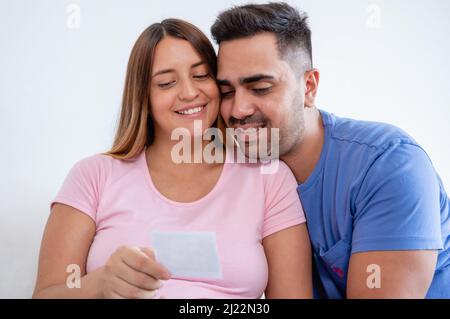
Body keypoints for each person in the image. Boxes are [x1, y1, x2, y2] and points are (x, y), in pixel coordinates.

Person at [32, 18, 312, 299]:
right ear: (144, 96)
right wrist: (101, 283)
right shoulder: (94, 176)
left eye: (201, 75)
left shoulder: (268, 177)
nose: (190, 93)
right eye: (166, 83)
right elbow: (47, 294)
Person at [211, 2, 450, 298]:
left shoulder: (390, 165)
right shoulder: (239, 173)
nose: (239, 109)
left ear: (309, 87)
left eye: (260, 88)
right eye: (227, 92)